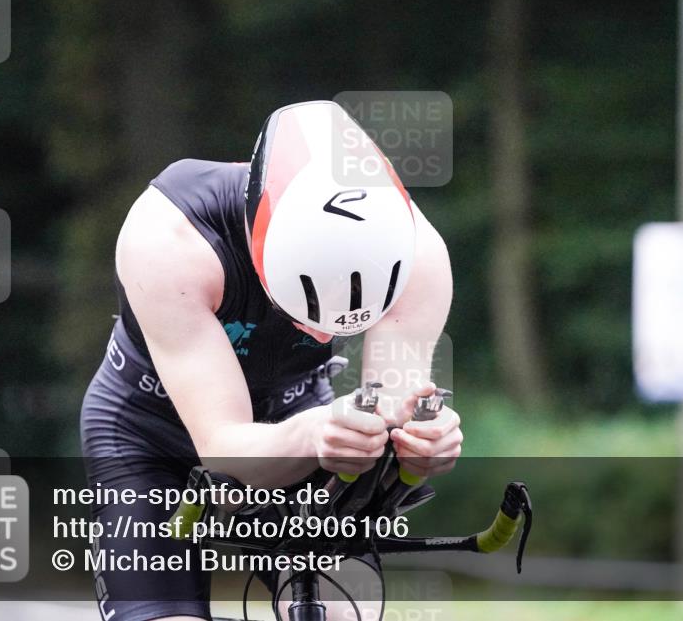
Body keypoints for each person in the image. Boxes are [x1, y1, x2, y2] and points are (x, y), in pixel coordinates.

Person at [81, 100, 460, 621]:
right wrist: (317, 433)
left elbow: (392, 409)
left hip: (299, 412)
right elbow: (221, 448)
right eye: (302, 308)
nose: (320, 335)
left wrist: (420, 444)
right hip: (152, 435)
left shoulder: (422, 257)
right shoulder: (168, 240)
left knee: (345, 609)